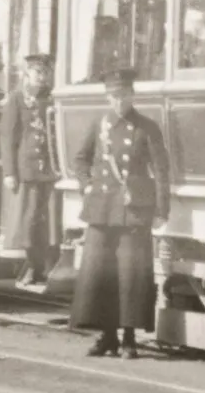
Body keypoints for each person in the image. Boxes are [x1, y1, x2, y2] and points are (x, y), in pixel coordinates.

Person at [70, 68, 169, 359]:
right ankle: (107, 336)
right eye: (114, 96)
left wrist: (162, 209)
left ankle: (129, 338)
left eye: (124, 95)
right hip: (101, 210)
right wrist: (87, 185)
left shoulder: (147, 127)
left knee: (131, 276)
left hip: (132, 210)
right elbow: (80, 159)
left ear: (133, 95)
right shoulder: (98, 124)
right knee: (101, 275)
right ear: (107, 97)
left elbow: (162, 171)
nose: (119, 101)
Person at [0, 54, 61, 288]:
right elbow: (7, 136)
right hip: (28, 169)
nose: (42, 77)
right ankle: (33, 265)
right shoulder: (17, 99)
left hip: (51, 169)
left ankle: (46, 267)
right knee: (30, 220)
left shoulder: (52, 98)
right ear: (28, 73)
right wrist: (9, 172)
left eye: (45, 72)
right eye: (37, 72)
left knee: (50, 223)